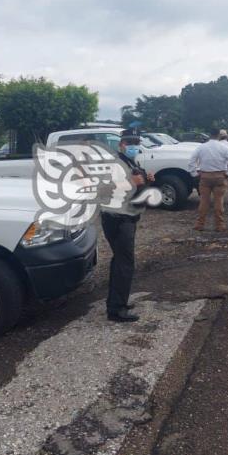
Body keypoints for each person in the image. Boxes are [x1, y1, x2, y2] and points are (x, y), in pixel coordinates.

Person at [101, 129, 155, 322]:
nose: (134, 145)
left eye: (136, 141)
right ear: (121, 144)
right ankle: (116, 310)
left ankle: (118, 302)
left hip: (127, 217)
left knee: (121, 262)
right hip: (117, 219)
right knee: (124, 264)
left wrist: (146, 181)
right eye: (130, 142)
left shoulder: (130, 161)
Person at [189, 128, 228, 231]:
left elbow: (191, 161)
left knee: (204, 201)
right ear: (219, 135)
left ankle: (200, 224)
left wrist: (195, 174)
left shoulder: (202, 147)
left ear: (209, 135)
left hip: (205, 176)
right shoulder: (224, 147)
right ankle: (220, 225)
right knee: (218, 201)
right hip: (220, 176)